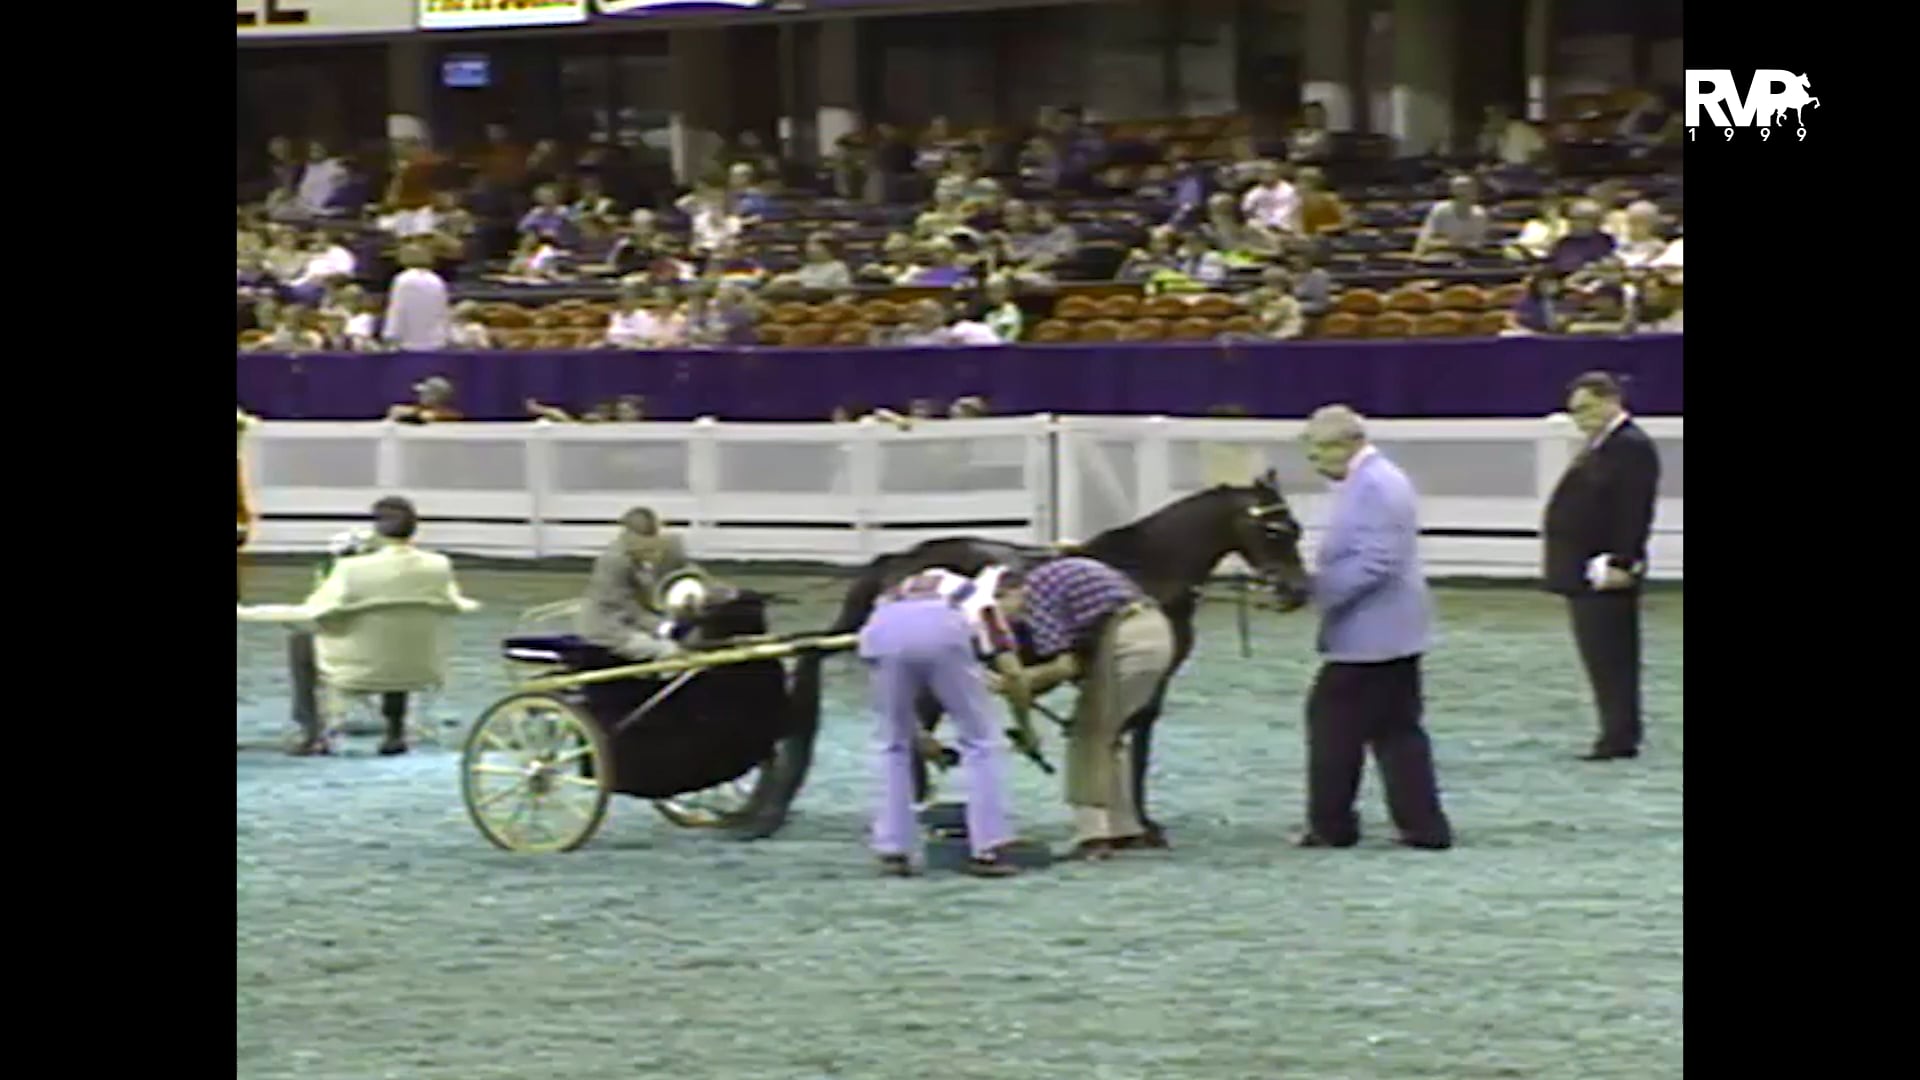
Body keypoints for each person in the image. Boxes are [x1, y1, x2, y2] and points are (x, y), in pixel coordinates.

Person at [1294, 406, 1453, 849]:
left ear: (1342, 444)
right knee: (1397, 730)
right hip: (1392, 630)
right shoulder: (1376, 480)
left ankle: (1332, 825)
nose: (1315, 462)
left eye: (1316, 451)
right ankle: (1423, 826)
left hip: (1371, 634)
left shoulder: (1375, 485)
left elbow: (1377, 561)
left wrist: (1317, 592)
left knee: (1331, 726)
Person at [237, 497, 481, 756]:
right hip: (421, 666)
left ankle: (311, 733)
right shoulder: (438, 565)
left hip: (357, 668)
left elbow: (313, 611)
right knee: (398, 637)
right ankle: (395, 730)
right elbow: (456, 603)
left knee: (301, 640)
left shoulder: (352, 569)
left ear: (376, 528)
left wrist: (246, 613)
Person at [992, 556, 1175, 860]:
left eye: (1003, 608)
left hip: (1125, 639)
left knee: (1088, 735)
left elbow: (1064, 667)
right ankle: (1124, 828)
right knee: (1110, 735)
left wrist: (1015, 683)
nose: (1009, 619)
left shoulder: (1036, 592)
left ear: (1010, 591)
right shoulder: (1060, 577)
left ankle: (1093, 837)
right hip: (1154, 631)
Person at [859, 565, 1030, 878]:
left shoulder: (903, 588)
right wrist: (1027, 729)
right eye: (1020, 603)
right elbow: (1014, 673)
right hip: (944, 629)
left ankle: (892, 849)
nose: (1018, 614)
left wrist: (918, 733)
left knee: (892, 744)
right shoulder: (981, 599)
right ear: (1005, 590)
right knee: (982, 742)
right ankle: (989, 847)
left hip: (881, 629)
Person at [1543, 372, 1661, 760]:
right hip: (1586, 571)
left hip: (1606, 571)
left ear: (1611, 399)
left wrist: (1623, 561)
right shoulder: (1603, 444)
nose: (1581, 418)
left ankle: (1619, 736)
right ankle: (1615, 731)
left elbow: (1634, 510)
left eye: (1588, 408)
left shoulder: (1630, 446)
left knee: (1612, 657)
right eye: (1576, 411)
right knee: (1600, 656)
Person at [577, 508, 700, 661]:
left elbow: (691, 575)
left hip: (659, 616)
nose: (649, 548)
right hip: (613, 627)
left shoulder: (672, 547)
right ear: (627, 536)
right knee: (668, 650)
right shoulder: (614, 561)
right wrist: (662, 627)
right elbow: (626, 607)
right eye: (641, 543)